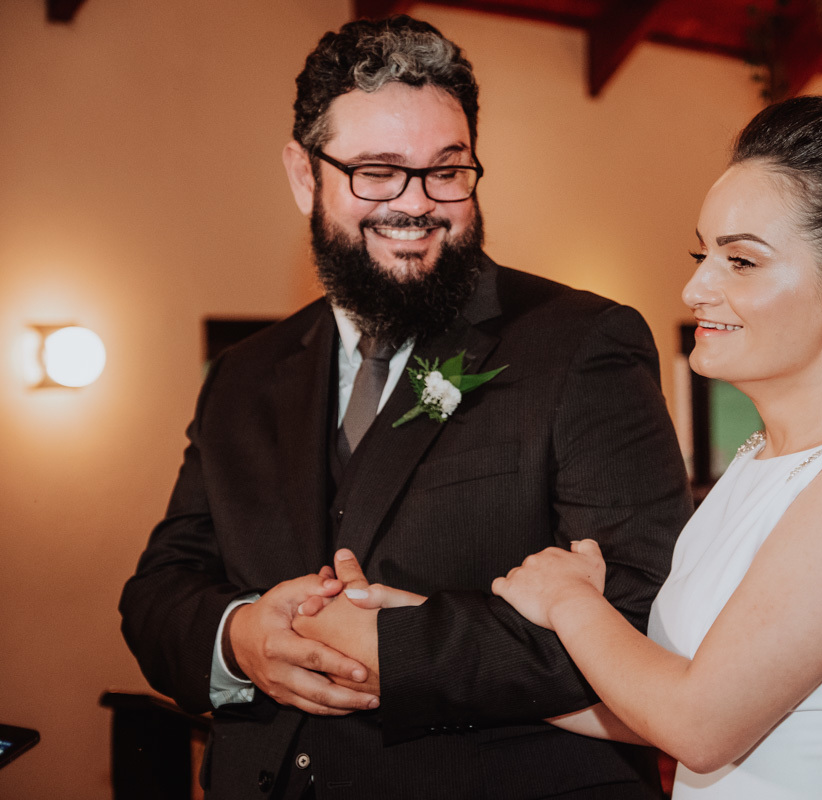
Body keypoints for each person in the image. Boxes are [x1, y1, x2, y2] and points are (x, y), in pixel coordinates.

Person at [119, 15, 691, 800]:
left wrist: (399, 646)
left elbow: (642, 609)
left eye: (447, 171)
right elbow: (158, 594)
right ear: (302, 174)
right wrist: (239, 637)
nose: (416, 204)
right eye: (378, 171)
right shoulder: (243, 377)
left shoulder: (581, 343)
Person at [478, 95, 822, 797]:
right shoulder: (766, 459)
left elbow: (699, 724)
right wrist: (413, 656)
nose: (697, 287)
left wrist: (572, 601)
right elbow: (664, 698)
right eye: (704, 253)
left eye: (742, 262)